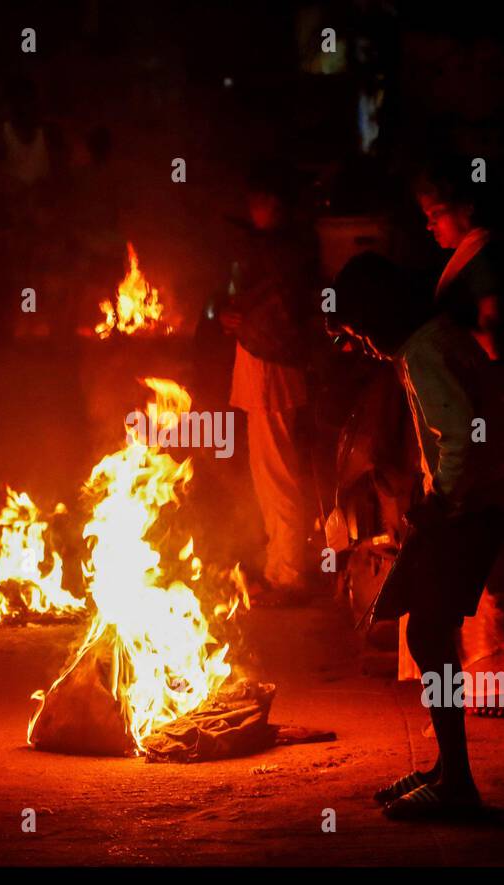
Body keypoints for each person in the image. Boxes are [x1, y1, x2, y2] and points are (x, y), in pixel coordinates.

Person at [369, 164, 504, 818]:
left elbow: (461, 431)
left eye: (356, 332)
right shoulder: (428, 340)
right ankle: (446, 767)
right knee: (428, 631)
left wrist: (442, 501)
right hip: (473, 496)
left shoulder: (429, 347)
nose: (360, 346)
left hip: (471, 501)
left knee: (432, 632)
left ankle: (456, 782)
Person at [219, 160, 316, 601]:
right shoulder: (270, 247)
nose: (257, 209)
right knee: (267, 473)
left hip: (272, 368)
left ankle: (290, 573)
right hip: (260, 363)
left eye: (265, 202)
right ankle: (280, 567)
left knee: (278, 475)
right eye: (254, 202)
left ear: (280, 205)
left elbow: (286, 307)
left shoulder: (288, 249)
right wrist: (236, 316)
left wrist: (245, 316)